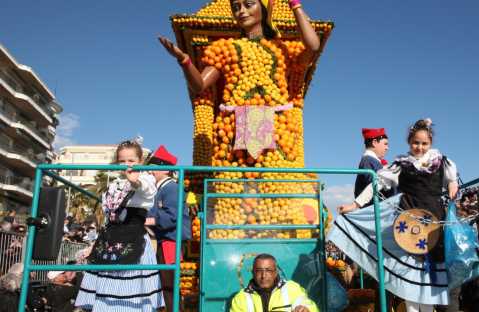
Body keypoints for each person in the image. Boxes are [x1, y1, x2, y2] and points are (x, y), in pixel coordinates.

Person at [159, 0, 319, 165]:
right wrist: (184, 60)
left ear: (264, 8)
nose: (241, 11)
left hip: (277, 128)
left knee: (272, 180)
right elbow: (199, 85)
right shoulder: (226, 49)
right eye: (236, 7)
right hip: (233, 128)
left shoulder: (282, 50)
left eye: (248, 4)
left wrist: (295, 5)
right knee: (236, 182)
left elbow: (313, 47)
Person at [331, 118, 459, 312]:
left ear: (430, 142)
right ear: (409, 142)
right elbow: (377, 183)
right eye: (416, 142)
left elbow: (452, 177)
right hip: (408, 224)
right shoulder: (401, 164)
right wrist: (355, 204)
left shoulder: (442, 161)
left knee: (429, 278)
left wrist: (452, 184)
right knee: (411, 280)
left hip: (433, 223)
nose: (420, 147)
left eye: (424, 143)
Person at [75, 139, 164, 311]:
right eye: (122, 161)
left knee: (132, 294)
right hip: (109, 241)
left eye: (131, 161)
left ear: (140, 161)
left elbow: (145, 189)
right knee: (105, 290)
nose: (127, 165)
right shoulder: (114, 184)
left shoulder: (145, 179)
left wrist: (135, 181)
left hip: (133, 241)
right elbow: (110, 216)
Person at [145, 145, 191, 312]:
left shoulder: (170, 188)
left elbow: (173, 216)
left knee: (169, 283)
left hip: (170, 241)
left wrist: (149, 220)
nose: (150, 172)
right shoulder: (164, 188)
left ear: (164, 169)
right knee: (166, 283)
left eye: (153, 169)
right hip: (166, 240)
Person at [230, 253, 318, 312]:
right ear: (253, 273)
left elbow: (308, 305)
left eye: (268, 270)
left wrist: (306, 309)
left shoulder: (291, 289)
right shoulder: (241, 298)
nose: (263, 275)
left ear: (275, 272)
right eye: (259, 271)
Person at [354, 128, 390, 207]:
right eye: (385, 144)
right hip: (373, 207)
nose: (387, 148)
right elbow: (377, 186)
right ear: (374, 142)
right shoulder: (368, 160)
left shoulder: (372, 161)